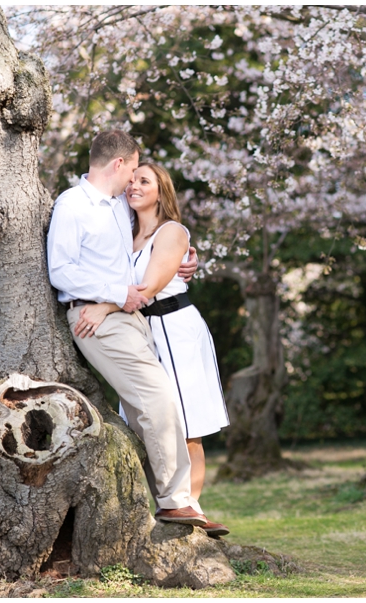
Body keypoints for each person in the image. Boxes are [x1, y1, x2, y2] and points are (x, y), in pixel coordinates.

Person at [47, 130, 206, 527]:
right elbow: (60, 270)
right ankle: (175, 500)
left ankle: (152, 503)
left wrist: (186, 255)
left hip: (129, 315)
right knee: (157, 396)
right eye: (133, 169)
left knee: (140, 411)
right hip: (94, 318)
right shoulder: (73, 205)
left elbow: (157, 234)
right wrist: (113, 295)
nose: (134, 179)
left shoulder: (119, 204)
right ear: (119, 164)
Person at [72, 162, 231, 537]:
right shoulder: (121, 234)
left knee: (186, 424)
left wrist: (104, 306)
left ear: (162, 191)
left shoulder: (172, 232)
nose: (135, 186)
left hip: (175, 329)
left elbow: (151, 286)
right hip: (139, 330)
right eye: (132, 180)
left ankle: (192, 509)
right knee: (147, 420)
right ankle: (168, 502)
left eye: (145, 181)